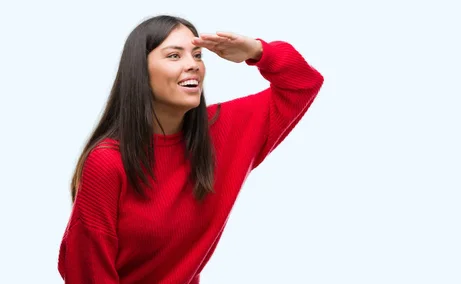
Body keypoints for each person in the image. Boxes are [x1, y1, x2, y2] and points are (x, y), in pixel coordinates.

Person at [57, 14, 324, 283]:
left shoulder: (223, 131)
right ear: (140, 71)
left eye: (197, 55)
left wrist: (257, 51)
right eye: (174, 56)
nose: (193, 65)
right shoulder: (107, 162)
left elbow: (303, 83)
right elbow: (86, 272)